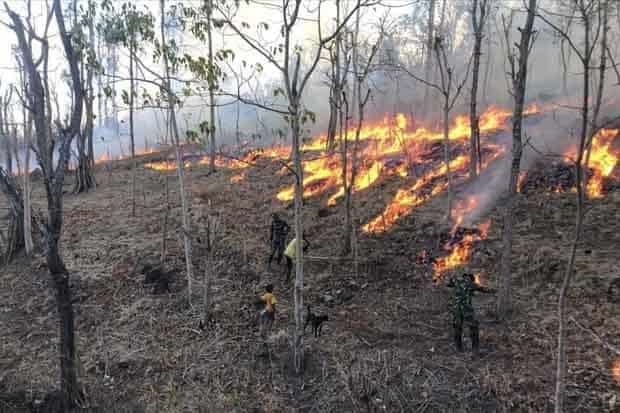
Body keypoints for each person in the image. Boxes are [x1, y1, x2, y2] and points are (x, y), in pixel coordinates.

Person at [447, 272, 495, 353]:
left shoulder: (456, 281)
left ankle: (458, 348)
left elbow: (448, 284)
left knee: (457, 327)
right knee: (473, 326)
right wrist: (495, 290)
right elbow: (483, 289)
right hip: (466, 309)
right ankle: (475, 347)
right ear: (471, 278)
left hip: (456, 309)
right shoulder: (471, 284)